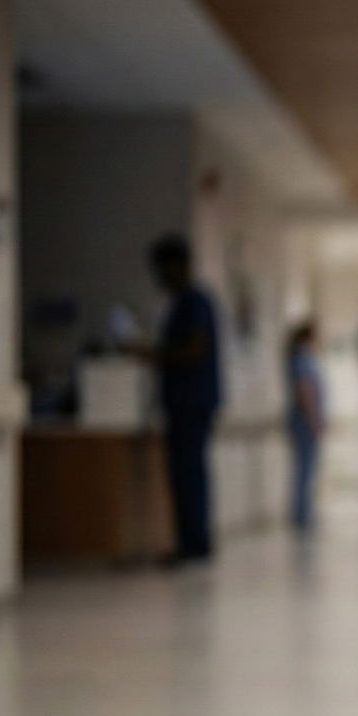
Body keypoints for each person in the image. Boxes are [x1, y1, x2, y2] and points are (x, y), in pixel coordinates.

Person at [134, 233, 222, 568]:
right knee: (188, 473)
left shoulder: (194, 302)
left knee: (188, 473)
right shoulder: (186, 303)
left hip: (191, 400)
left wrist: (154, 354)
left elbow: (195, 348)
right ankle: (193, 542)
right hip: (188, 400)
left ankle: (193, 545)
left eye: (162, 269)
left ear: (177, 266)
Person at [285, 319, 325, 533]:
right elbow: (305, 390)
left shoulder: (301, 357)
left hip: (303, 420)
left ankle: (303, 512)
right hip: (305, 421)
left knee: (306, 468)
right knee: (305, 469)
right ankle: (301, 515)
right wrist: (314, 418)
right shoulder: (302, 358)